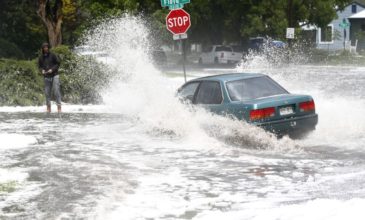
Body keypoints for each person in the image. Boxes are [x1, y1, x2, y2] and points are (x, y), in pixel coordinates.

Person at [38, 42, 62, 113]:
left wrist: (52, 69)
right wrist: (42, 70)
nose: (46, 49)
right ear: (42, 49)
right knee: (47, 92)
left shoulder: (53, 55)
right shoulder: (41, 57)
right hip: (46, 76)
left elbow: (58, 63)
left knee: (56, 90)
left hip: (55, 75)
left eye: (47, 47)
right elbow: (40, 66)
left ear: (48, 48)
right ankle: (48, 107)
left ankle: (59, 107)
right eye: (44, 47)